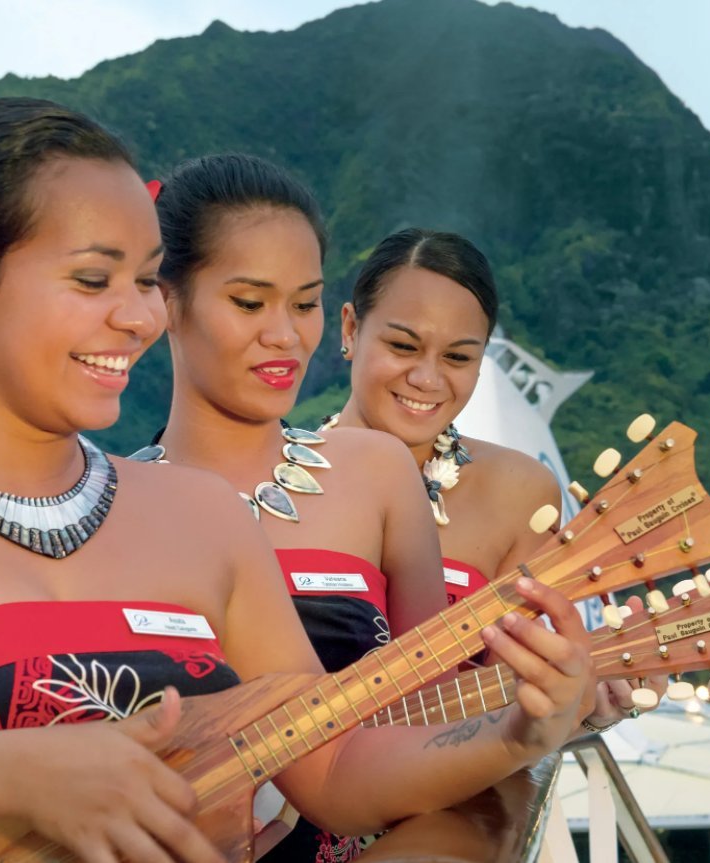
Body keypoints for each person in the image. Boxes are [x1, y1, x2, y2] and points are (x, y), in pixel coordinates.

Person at [0, 100, 594, 863]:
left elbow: (330, 765)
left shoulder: (201, 514)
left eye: (146, 279)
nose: (140, 314)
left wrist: (519, 727)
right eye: (93, 279)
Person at [142, 154, 596, 860]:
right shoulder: (111, 501)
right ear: (163, 300)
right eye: (248, 301)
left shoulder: (378, 475)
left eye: (301, 303)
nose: (286, 335)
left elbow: (428, 713)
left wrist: (533, 721)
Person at [328, 227, 661, 733]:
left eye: (458, 357)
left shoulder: (519, 494)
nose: (427, 378)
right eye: (402, 345)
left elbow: (500, 714)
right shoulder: (269, 480)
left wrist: (584, 710)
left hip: (435, 805)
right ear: (351, 329)